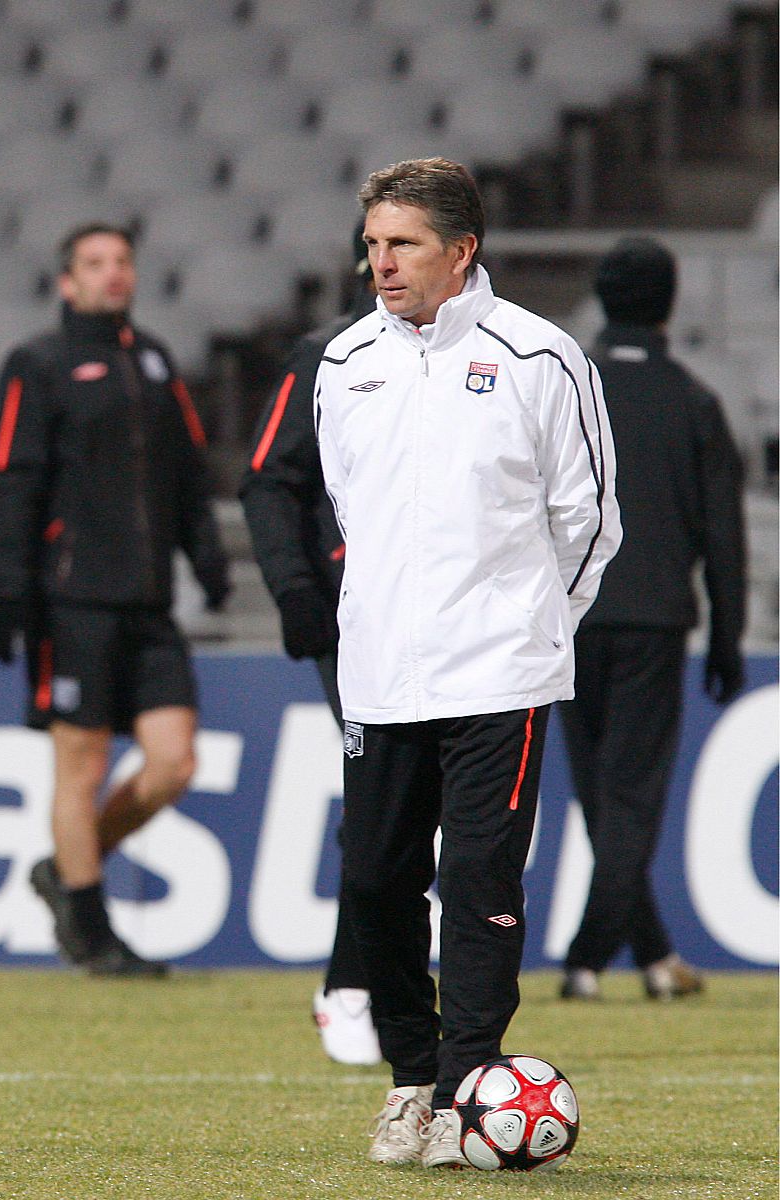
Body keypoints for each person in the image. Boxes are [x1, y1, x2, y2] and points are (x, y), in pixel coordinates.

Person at [313, 159, 619, 1168]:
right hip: (380, 681)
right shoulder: (344, 363)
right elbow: (349, 511)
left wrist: (533, 626)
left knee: (480, 880)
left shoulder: (542, 358)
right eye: (371, 245)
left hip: (499, 675)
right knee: (372, 884)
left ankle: (462, 1093)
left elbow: (586, 520)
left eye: (399, 245)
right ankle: (409, 1080)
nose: (380, 265)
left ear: (461, 250)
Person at [0, 222, 231, 978]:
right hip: (74, 602)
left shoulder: (154, 361)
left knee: (173, 764)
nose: (113, 273)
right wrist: (10, 590)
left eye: (122, 260)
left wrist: (208, 556)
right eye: (95, 263)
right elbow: (14, 479)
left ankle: (66, 873)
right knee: (81, 767)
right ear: (68, 282)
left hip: (149, 603)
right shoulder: (39, 363)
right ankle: (92, 935)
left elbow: (187, 474)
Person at [558, 236, 747, 1004]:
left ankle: (657, 956)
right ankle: (587, 958)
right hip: (654, 622)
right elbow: (722, 535)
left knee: (603, 799)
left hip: (566, 616)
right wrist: (727, 637)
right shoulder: (693, 400)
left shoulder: (562, 388)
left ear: (602, 299)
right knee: (629, 796)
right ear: (669, 301)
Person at [239, 222, 379, 1067]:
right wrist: (297, 589)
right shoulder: (327, 357)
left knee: (434, 805)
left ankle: (386, 976)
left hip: (453, 618)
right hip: (354, 616)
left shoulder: (489, 360)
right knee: (384, 794)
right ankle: (350, 984)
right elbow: (267, 478)